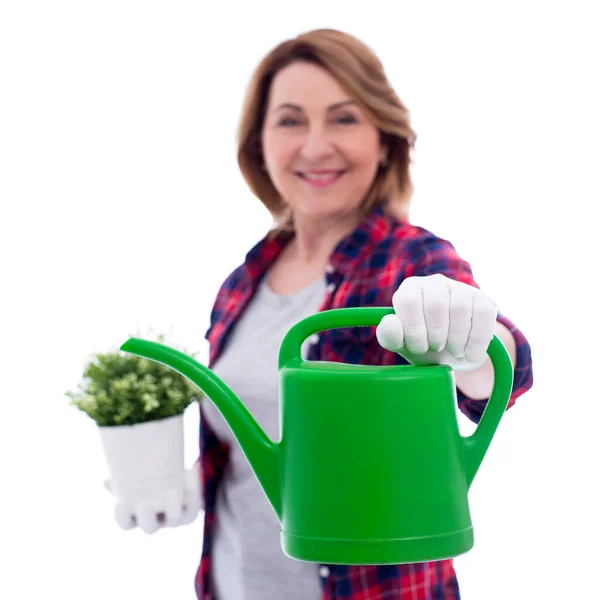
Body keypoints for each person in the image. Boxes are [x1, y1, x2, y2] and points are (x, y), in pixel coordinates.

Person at [109, 28, 534, 600]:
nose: (315, 146)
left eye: (343, 118)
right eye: (289, 120)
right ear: (259, 143)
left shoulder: (412, 260)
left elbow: (501, 365)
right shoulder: (242, 283)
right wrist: (185, 483)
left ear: (384, 140)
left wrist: (474, 345)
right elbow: (251, 438)